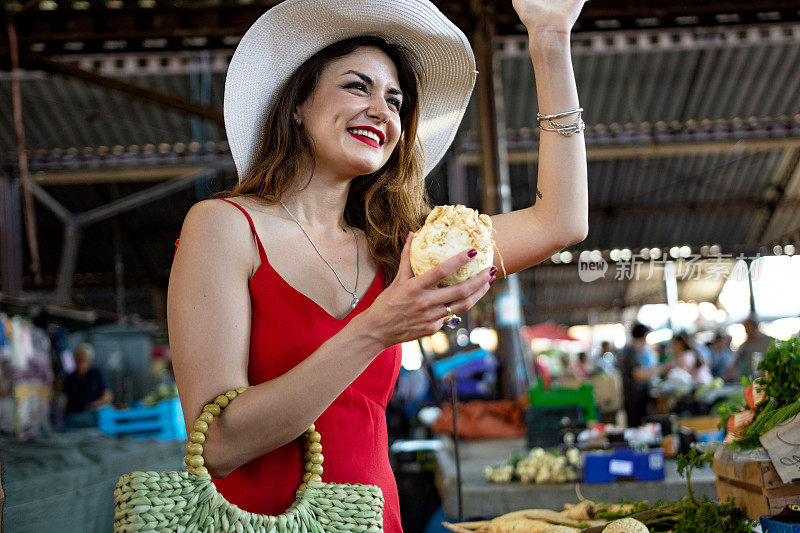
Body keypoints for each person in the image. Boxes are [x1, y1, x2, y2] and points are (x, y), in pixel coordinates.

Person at [167, 0, 588, 527]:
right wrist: (377, 328)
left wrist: (549, 38)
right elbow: (220, 445)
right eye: (357, 86)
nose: (382, 110)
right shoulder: (223, 225)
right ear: (297, 102)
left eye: (395, 100)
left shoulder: (402, 249)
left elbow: (561, 223)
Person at [618, 324, 674, 427]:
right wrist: (662, 368)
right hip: (635, 399)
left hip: (637, 398)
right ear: (644, 337)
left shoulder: (636, 352)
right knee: (638, 426)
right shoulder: (632, 352)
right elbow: (639, 374)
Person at [62, 343, 113, 418]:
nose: (80, 361)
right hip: (73, 416)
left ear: (89, 359)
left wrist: (95, 404)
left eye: (82, 358)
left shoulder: (96, 374)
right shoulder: (70, 377)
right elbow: (65, 400)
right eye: (77, 358)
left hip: (92, 414)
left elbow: (108, 396)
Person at [724, 317, 774, 381]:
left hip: (770, 379)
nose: (746, 331)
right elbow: (734, 363)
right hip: (755, 380)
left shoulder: (770, 341)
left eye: (747, 328)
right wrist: (724, 378)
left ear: (755, 327)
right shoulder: (745, 344)